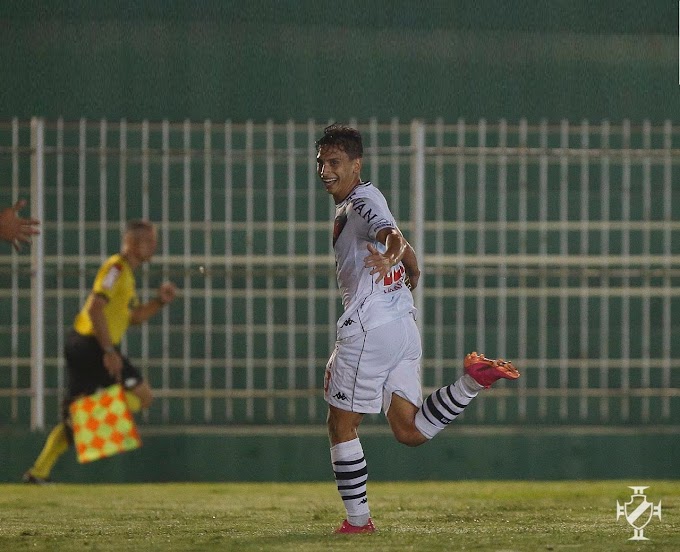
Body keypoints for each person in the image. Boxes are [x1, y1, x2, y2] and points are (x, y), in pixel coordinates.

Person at [316, 124, 520, 533]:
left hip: (370, 330)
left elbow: (389, 234)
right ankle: (471, 383)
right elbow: (395, 233)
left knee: (341, 425)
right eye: (321, 162)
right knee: (408, 430)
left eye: (335, 162)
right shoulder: (364, 200)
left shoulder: (360, 201)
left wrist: (393, 254)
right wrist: (409, 261)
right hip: (402, 329)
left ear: (356, 164)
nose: (325, 170)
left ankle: (358, 522)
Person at [23, 220, 176, 483]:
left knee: (78, 423)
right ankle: (80, 420)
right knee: (143, 396)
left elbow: (135, 316)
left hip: (91, 345)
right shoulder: (116, 268)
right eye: (149, 241)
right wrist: (108, 351)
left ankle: (39, 473)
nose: (155, 246)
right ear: (133, 242)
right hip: (92, 344)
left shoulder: (127, 274)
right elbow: (95, 307)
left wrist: (160, 301)